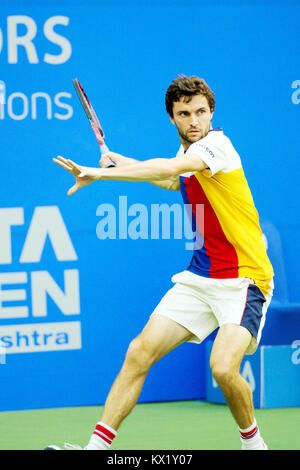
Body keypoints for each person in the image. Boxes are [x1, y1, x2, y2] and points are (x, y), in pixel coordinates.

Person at [50, 75, 274, 451]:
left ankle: (253, 444)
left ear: (211, 113)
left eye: (201, 112)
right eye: (184, 113)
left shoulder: (217, 145)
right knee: (139, 351)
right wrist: (119, 160)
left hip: (244, 280)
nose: (194, 121)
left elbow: (171, 170)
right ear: (172, 117)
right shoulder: (186, 156)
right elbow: (174, 180)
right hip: (200, 277)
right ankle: (96, 449)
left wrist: (103, 174)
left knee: (222, 367)